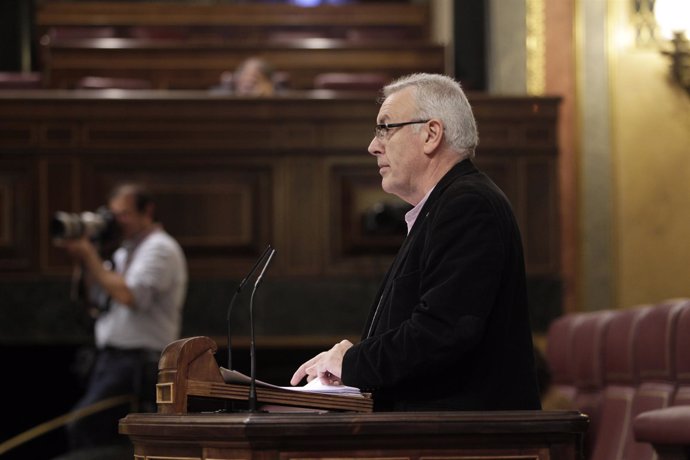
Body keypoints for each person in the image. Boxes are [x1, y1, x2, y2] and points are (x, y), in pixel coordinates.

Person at [291, 73, 542, 411]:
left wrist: (352, 362)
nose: (373, 145)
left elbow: (443, 333)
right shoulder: (443, 207)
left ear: (431, 134)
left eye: (385, 128)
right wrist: (352, 367)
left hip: (467, 441)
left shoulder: (468, 206)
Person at [56, 183, 188, 449]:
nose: (117, 221)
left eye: (124, 213)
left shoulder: (160, 248)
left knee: (85, 426)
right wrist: (84, 257)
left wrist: (90, 255)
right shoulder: (124, 250)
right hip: (112, 360)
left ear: (147, 210)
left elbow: (130, 296)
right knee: (102, 435)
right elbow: (96, 298)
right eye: (114, 213)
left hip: (137, 362)